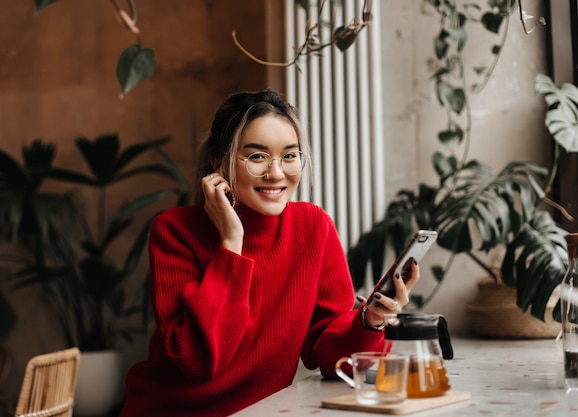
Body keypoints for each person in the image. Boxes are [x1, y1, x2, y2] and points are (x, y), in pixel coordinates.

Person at [119, 90, 420, 417]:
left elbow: (331, 357)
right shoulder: (174, 231)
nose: (277, 173)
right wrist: (232, 244)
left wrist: (370, 322)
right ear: (218, 162)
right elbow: (197, 362)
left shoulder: (313, 227)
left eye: (289, 156)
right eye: (257, 156)